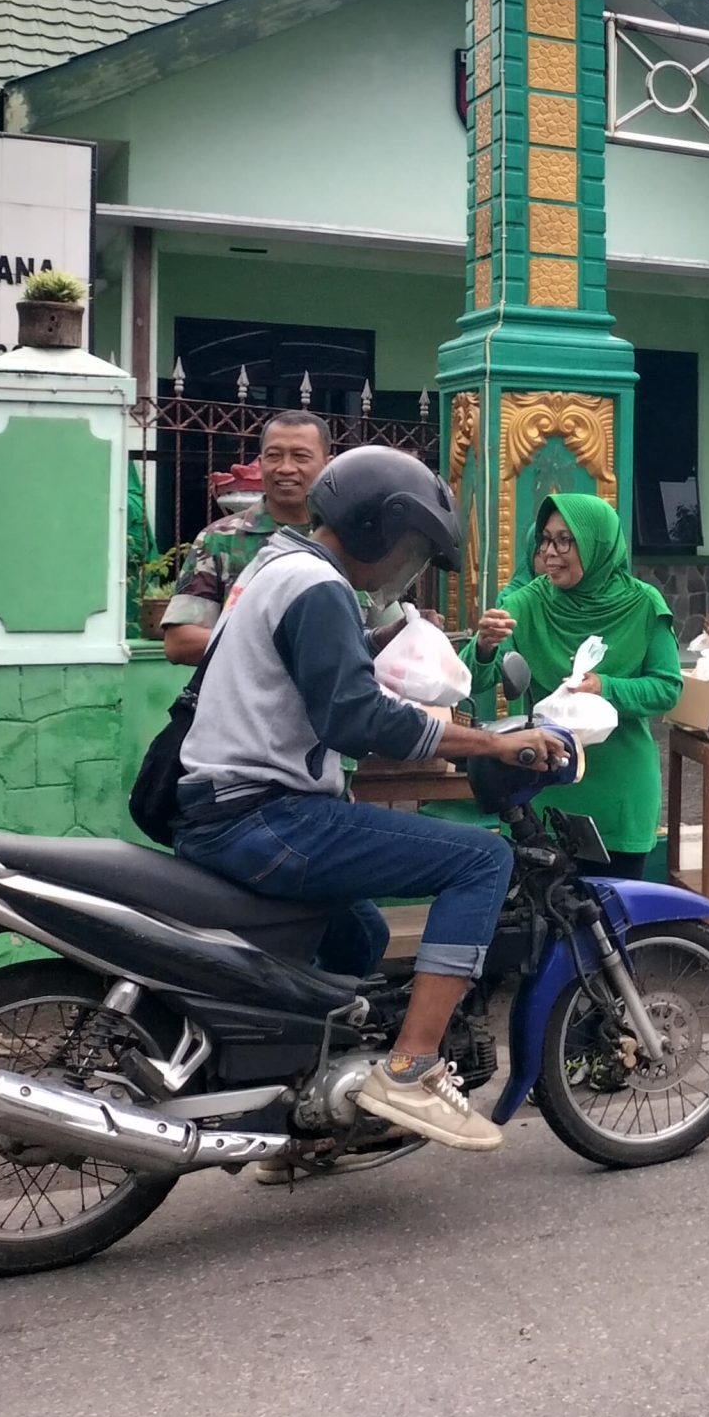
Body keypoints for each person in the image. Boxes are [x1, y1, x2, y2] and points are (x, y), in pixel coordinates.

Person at [172, 447, 567, 1154]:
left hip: (227, 808)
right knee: (480, 861)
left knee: (362, 936)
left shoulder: (274, 567)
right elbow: (356, 718)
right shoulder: (315, 584)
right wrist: (484, 743)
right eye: (414, 551)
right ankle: (411, 1069)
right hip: (263, 816)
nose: (410, 571)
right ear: (377, 527)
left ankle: (310, 1120)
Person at [467, 494, 685, 882]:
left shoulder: (643, 604)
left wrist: (607, 687)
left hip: (619, 789)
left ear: (595, 542)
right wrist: (483, 645)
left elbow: (667, 688)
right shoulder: (525, 603)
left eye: (565, 540)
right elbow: (479, 678)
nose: (551, 553)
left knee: (612, 929)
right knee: (543, 920)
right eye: (546, 540)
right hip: (543, 787)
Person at [163, 411, 380, 666]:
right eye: (274, 456)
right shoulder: (222, 540)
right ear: (261, 462)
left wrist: (415, 628)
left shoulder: (351, 541)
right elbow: (180, 642)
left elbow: (384, 631)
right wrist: (280, 644)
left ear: (327, 465)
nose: (285, 468)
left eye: (300, 456)